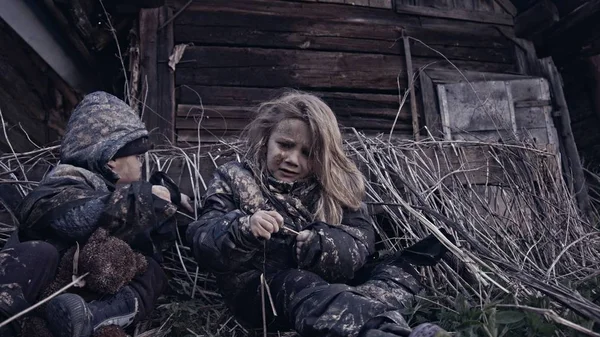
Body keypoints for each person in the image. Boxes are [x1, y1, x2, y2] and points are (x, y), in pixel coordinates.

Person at [186, 91, 450, 337]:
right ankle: (385, 331)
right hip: (260, 292)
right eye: (285, 145)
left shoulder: (336, 184)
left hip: (328, 281)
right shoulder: (233, 177)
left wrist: (320, 245)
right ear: (266, 140)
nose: (291, 159)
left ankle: (354, 303)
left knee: (402, 269)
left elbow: (360, 242)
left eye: (307, 153)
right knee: (300, 284)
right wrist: (243, 229)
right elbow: (202, 239)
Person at [11, 91, 192, 337]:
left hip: (79, 299)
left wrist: (170, 197)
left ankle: (91, 318)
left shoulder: (111, 190)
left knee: (151, 272)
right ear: (110, 162)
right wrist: (141, 197)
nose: (142, 164)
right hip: (40, 293)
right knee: (38, 252)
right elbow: (74, 219)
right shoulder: (64, 182)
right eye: (137, 157)